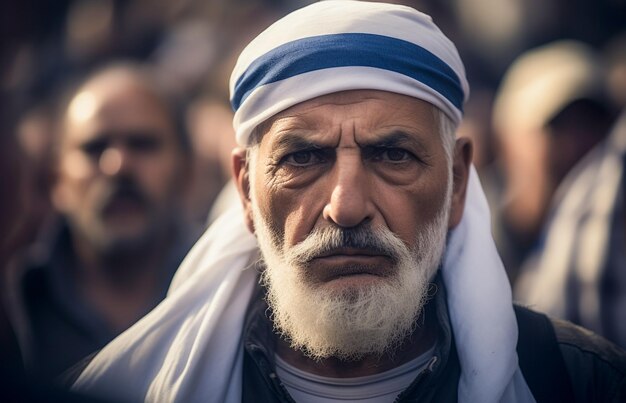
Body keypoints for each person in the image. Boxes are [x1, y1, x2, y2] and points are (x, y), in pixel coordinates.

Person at [72, 2, 626, 402]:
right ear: (245, 187)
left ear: (457, 180)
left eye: (393, 155)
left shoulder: (578, 381)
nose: (347, 206)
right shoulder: (129, 387)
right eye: (303, 159)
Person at [3, 63, 198, 381]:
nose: (117, 166)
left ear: (187, 172)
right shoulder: (17, 300)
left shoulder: (238, 296)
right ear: (57, 180)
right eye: (94, 148)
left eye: (142, 143)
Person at [490, 41, 616, 283]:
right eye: (558, 126)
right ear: (507, 141)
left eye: (593, 124)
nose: (579, 142)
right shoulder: (455, 250)